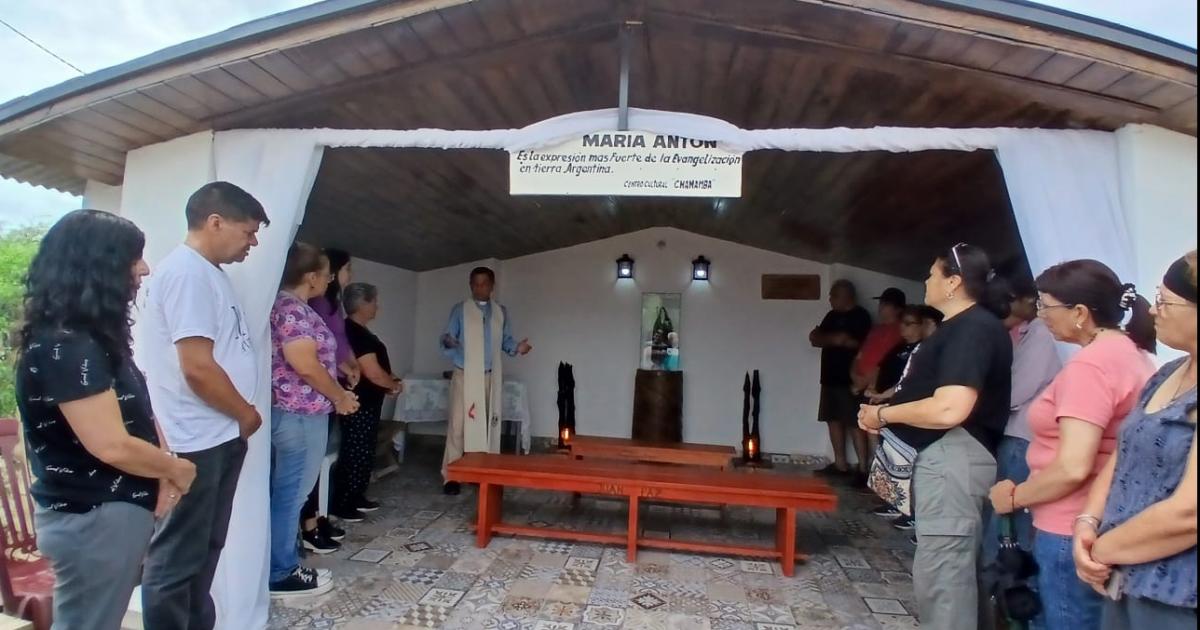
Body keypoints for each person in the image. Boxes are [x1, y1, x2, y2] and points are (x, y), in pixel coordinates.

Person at [15, 210, 198, 630]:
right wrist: (177, 469)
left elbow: (136, 414)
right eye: (134, 258)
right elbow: (110, 443)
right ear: (99, 265)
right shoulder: (68, 346)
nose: (144, 269)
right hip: (94, 517)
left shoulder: (87, 339)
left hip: (107, 512)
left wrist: (161, 473)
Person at [987, 260, 1155, 629]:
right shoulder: (1134, 354)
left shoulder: (1092, 367)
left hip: (1067, 526)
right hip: (1102, 522)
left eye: (1046, 305)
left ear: (1079, 312)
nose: (1041, 313)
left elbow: (1073, 467)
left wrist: (1015, 498)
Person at [858, 243, 1013, 630]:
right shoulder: (960, 327)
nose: (926, 281)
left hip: (954, 457)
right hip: (947, 456)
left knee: (944, 576)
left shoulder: (973, 329)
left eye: (932, 274)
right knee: (954, 572)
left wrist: (882, 414)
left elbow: (950, 408)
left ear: (954, 282)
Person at [140, 182, 269, 630]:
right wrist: (245, 414)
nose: (252, 242)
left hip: (217, 434)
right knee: (177, 557)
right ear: (215, 222)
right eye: (248, 232)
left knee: (206, 548)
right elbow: (197, 367)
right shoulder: (187, 274)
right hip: (194, 438)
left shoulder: (210, 273)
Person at [1074, 251, 1197, 630]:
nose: (1153, 310)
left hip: (1176, 598)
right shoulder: (1169, 372)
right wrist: (1087, 521)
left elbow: (1190, 512)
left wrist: (1104, 549)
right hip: (1124, 577)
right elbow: (1123, 453)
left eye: (1165, 301)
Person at [269, 242, 360, 597]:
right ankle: (280, 572)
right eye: (326, 273)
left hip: (302, 414)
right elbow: (304, 364)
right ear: (311, 277)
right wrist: (339, 397)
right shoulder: (292, 310)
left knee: (290, 494)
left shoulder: (297, 307)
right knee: (291, 496)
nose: (330, 279)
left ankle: (283, 561)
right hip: (298, 415)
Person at [982, 276, 1063, 568]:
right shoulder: (1029, 330)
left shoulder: (1043, 334)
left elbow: (1018, 389)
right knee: (1003, 512)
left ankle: (1000, 585)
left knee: (1006, 518)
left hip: (1023, 436)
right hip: (1019, 433)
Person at [439, 266, 532, 495]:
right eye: (475, 283)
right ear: (470, 285)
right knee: (459, 425)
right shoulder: (460, 310)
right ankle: (451, 475)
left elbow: (506, 341)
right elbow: (448, 337)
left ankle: (478, 472)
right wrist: (449, 341)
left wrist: (517, 348)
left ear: (492, 286)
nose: (479, 287)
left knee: (486, 426)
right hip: (465, 374)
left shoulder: (501, 312)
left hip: (490, 376)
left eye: (484, 283)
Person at [298, 249, 359, 552]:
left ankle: (319, 515)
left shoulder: (332, 305)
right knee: (311, 464)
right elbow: (313, 359)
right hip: (313, 397)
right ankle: (308, 524)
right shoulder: (313, 306)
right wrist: (338, 391)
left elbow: (336, 344)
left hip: (327, 392)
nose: (348, 276)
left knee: (324, 459)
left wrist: (348, 364)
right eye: (346, 269)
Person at [331, 283, 403, 522]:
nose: (376, 306)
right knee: (356, 451)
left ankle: (357, 495)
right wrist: (392, 385)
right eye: (373, 301)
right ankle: (344, 503)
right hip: (358, 402)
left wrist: (390, 381)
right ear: (362, 304)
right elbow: (371, 371)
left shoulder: (359, 330)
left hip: (369, 402)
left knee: (364, 449)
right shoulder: (355, 332)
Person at [867, 304, 938, 526]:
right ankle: (895, 502)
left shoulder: (929, 349)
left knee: (913, 464)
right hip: (891, 406)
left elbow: (907, 384)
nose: (904, 329)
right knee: (891, 457)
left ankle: (913, 514)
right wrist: (877, 393)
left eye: (910, 324)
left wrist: (883, 397)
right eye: (903, 324)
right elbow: (883, 369)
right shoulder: (904, 347)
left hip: (910, 411)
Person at [810, 279, 873, 477]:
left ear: (847, 296)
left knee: (855, 423)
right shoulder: (831, 315)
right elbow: (814, 337)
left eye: (834, 295)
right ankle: (840, 465)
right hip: (829, 377)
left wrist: (835, 339)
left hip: (851, 380)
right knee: (832, 420)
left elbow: (860, 345)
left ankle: (863, 468)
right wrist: (836, 339)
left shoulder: (861, 316)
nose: (830, 299)